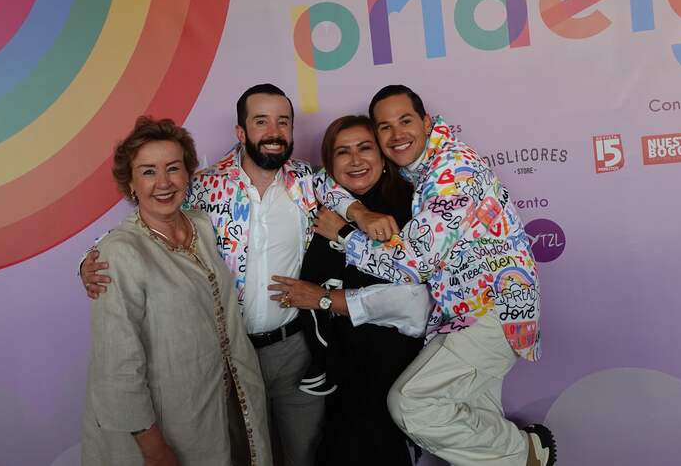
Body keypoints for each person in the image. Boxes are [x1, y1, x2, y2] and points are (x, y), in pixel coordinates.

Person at [80, 84, 401, 466]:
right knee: (243, 454)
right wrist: (87, 261)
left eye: (282, 122)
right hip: (226, 355)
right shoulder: (203, 186)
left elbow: (342, 196)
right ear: (240, 131)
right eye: (261, 121)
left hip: (293, 348)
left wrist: (361, 215)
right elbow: (148, 226)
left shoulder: (308, 180)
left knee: (307, 453)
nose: (273, 132)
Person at [314, 85, 558, 466]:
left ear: (426, 122)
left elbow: (414, 263)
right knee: (474, 429)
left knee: (411, 403)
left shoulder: (450, 173)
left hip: (491, 313)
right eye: (385, 127)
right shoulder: (417, 165)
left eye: (405, 121)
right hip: (462, 313)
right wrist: (358, 212)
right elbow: (321, 180)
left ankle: (524, 451)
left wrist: (346, 235)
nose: (397, 134)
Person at [82, 116, 271, 466]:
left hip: (220, 406)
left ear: (187, 173)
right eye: (148, 172)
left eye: (173, 168)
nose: (164, 183)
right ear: (130, 183)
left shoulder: (201, 225)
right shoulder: (118, 254)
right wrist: (152, 446)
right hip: (166, 423)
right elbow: (117, 364)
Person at [266, 115, 430, 466]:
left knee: (361, 448)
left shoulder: (407, 206)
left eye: (365, 148)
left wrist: (324, 298)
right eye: (342, 152)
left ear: (383, 157)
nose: (355, 160)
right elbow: (321, 181)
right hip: (341, 362)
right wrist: (357, 214)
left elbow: (417, 302)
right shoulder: (327, 202)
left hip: (387, 360)